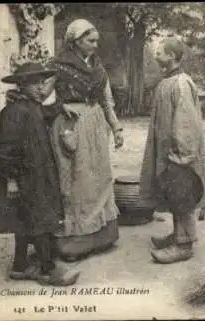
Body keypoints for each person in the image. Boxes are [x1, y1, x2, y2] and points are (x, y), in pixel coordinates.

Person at [0, 62, 80, 285]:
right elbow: (4, 150)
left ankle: (19, 267)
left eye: (43, 82)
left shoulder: (32, 107)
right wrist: (11, 179)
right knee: (39, 220)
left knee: (23, 221)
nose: (42, 88)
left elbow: (46, 112)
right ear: (21, 85)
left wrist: (61, 107)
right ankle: (47, 269)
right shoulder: (12, 112)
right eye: (35, 83)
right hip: (22, 177)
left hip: (36, 175)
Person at [47, 19, 124, 262]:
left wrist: (117, 128)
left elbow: (106, 101)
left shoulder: (98, 69)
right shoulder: (56, 66)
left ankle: (102, 237)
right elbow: (42, 95)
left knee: (99, 179)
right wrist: (60, 106)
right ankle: (73, 243)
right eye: (91, 40)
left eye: (97, 40)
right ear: (75, 41)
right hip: (70, 127)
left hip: (96, 127)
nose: (95, 45)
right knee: (75, 182)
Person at [139, 36, 205, 264]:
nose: (156, 54)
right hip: (168, 153)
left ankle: (184, 245)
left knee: (183, 194)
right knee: (173, 193)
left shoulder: (180, 83)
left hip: (180, 155)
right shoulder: (167, 81)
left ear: (171, 56)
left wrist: (182, 155)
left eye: (159, 51)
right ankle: (178, 235)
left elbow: (185, 122)